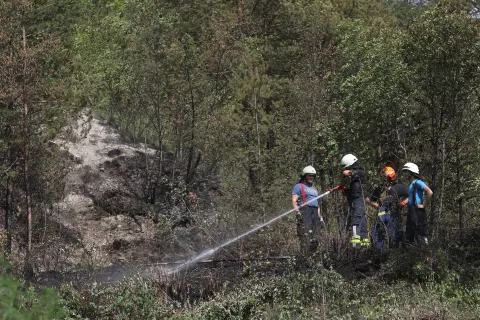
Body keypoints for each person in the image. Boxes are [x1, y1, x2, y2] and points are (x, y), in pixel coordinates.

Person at [366, 166, 409, 249]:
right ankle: (380, 254)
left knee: (395, 235)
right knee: (377, 234)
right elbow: (368, 199)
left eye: (384, 176)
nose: (383, 179)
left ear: (389, 177)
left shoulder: (399, 187)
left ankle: (394, 255)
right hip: (382, 215)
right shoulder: (380, 188)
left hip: (393, 214)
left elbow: (411, 195)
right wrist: (376, 205)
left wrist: (403, 203)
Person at [292, 165, 324, 254]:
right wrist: (298, 212)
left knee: (316, 235)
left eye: (313, 176)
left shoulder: (314, 189)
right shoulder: (299, 186)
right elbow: (294, 201)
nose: (311, 178)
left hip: (314, 213)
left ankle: (315, 255)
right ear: (304, 176)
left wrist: (320, 217)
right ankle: (305, 255)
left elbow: (317, 205)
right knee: (306, 234)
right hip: (305, 211)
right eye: (309, 175)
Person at [340, 154, 369, 248]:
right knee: (360, 220)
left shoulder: (359, 172)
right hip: (353, 200)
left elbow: (351, 173)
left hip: (358, 200)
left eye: (347, 167)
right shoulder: (353, 177)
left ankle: (356, 246)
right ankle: (362, 247)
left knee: (358, 221)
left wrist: (348, 172)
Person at [401, 162, 433, 246]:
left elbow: (430, 192)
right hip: (411, 211)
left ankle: (426, 253)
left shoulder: (418, 182)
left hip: (418, 211)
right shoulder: (412, 184)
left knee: (421, 232)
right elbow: (411, 197)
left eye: (406, 171)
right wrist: (404, 203)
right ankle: (412, 255)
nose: (404, 174)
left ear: (411, 172)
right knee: (409, 233)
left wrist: (424, 205)